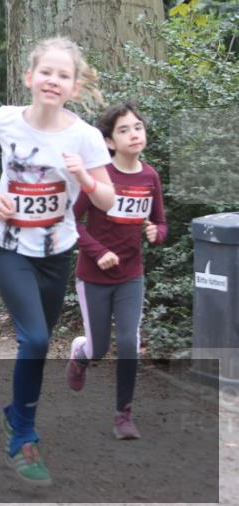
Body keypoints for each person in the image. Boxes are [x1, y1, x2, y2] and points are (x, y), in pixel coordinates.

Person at [0, 36, 114, 486]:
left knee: (39, 341)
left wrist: (84, 178)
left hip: (57, 254)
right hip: (9, 249)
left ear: (74, 87)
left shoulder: (86, 137)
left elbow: (109, 200)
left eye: (64, 75)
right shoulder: (5, 120)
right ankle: (25, 438)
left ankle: (15, 414)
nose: (54, 80)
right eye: (46, 72)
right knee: (34, 340)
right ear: (30, 77)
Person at [66, 102, 167, 439]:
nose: (134, 134)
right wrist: (98, 252)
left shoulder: (150, 176)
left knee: (128, 342)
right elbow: (71, 221)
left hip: (131, 276)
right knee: (99, 349)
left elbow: (159, 222)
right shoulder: (99, 177)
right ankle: (81, 353)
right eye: (124, 130)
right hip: (93, 277)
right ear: (109, 141)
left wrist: (157, 232)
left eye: (138, 127)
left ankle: (123, 415)